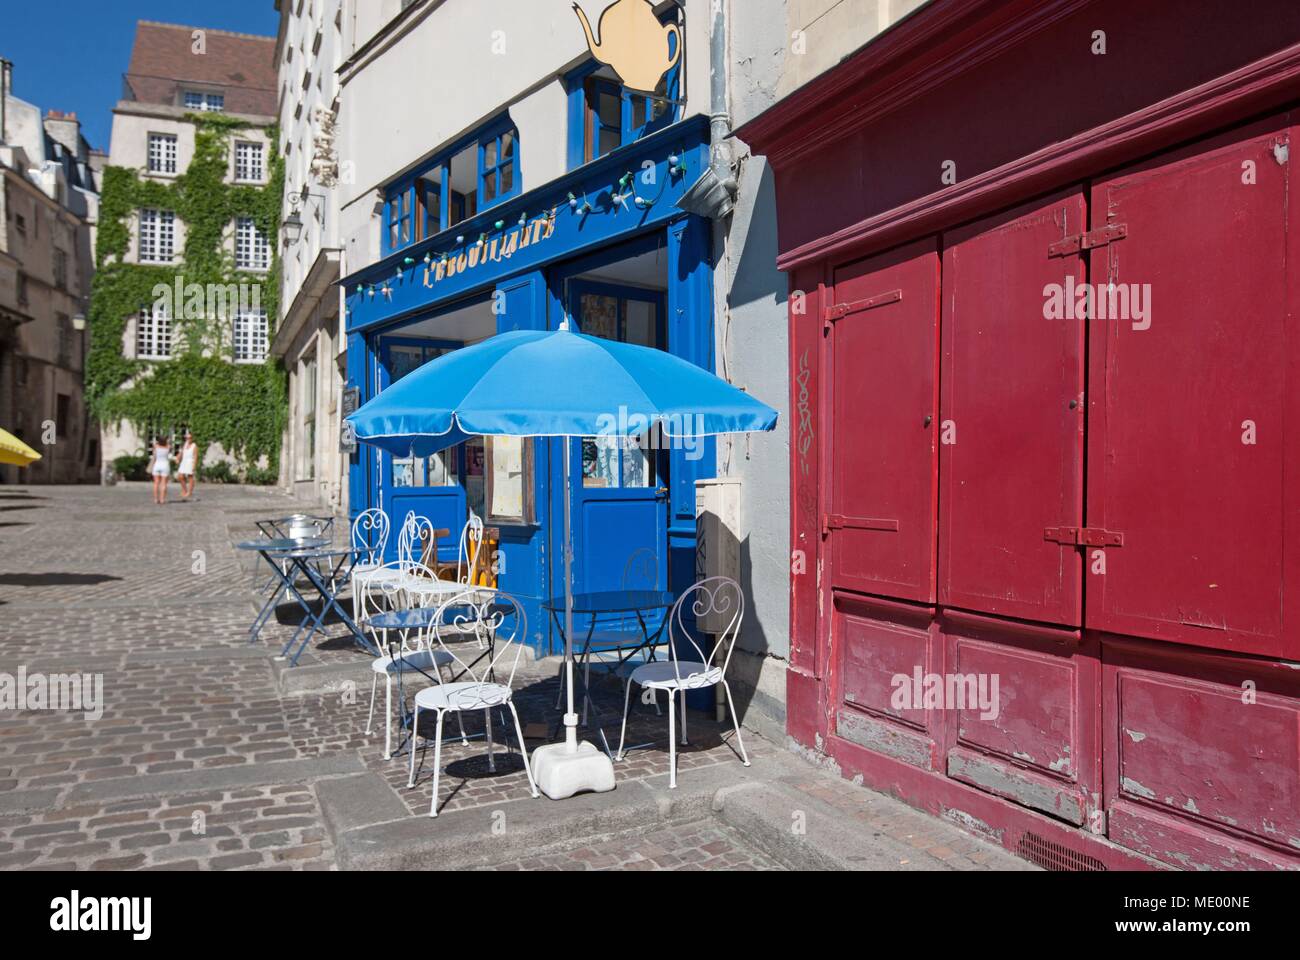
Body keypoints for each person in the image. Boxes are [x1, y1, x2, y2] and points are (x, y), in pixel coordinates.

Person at [149, 437, 173, 505]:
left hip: (157, 465)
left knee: (156, 483)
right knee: (164, 483)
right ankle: (162, 499)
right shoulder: (168, 447)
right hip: (165, 465)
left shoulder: (156, 446)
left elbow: (154, 455)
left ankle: (156, 499)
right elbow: (170, 449)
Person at [177, 431, 199, 500]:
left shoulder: (194, 446)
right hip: (184, 461)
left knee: (190, 477)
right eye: (187, 438)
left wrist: (194, 466)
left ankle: (189, 492)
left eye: (190, 438)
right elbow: (181, 452)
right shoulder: (185, 444)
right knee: (180, 476)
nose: (188, 439)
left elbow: (195, 457)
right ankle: (185, 490)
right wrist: (178, 457)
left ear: (192, 438)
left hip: (190, 462)